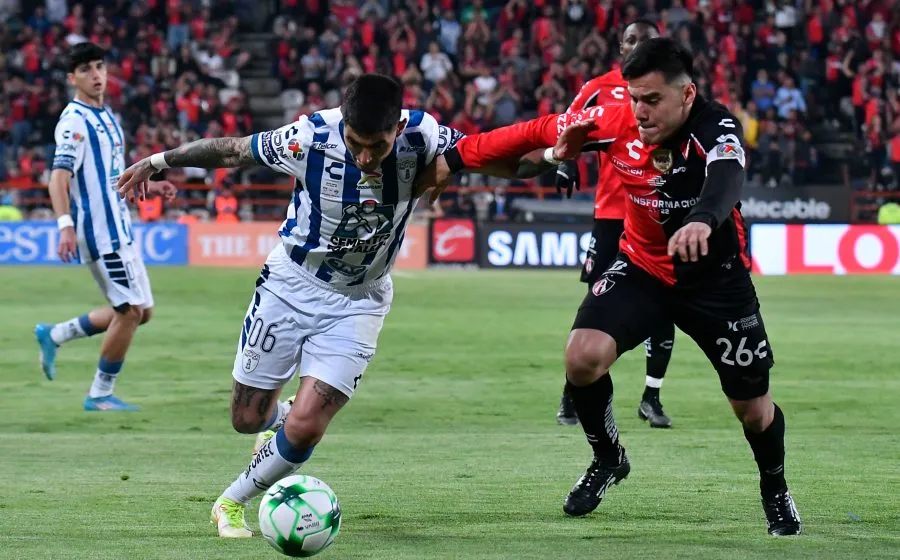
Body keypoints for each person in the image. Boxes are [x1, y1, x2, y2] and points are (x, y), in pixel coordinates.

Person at [435, 38, 802, 536]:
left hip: (717, 283)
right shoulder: (609, 118)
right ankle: (608, 457)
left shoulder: (717, 126)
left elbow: (727, 175)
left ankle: (775, 488)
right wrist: (455, 160)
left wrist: (703, 218)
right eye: (635, 98)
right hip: (643, 268)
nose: (641, 111)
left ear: (687, 94)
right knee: (581, 357)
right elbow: (527, 133)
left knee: (753, 411)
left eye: (652, 100)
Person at [116, 74, 477, 538]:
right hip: (290, 285)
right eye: (356, 143)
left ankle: (231, 501)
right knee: (247, 419)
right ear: (343, 123)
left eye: (378, 146)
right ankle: (279, 420)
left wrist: (554, 155)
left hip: (360, 300)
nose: (365, 156)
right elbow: (233, 151)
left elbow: (490, 153)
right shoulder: (309, 137)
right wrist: (158, 160)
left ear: (397, 127)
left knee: (309, 425)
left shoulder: (425, 135)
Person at [34, 42, 176, 411]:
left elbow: (112, 172)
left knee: (142, 311)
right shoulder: (74, 122)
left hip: (120, 227)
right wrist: (64, 226)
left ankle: (55, 334)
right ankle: (99, 394)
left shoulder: (107, 116)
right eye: (86, 70)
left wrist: (149, 182)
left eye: (99, 66)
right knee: (128, 311)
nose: (96, 75)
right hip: (99, 233)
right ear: (72, 79)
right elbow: (58, 177)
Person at [553, 19, 674, 429]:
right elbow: (566, 125)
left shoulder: (677, 90)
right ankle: (574, 392)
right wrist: (566, 164)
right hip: (612, 214)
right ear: (620, 48)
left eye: (648, 41)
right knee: (596, 304)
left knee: (665, 307)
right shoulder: (599, 88)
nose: (639, 46)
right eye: (632, 40)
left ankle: (651, 397)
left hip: (660, 217)